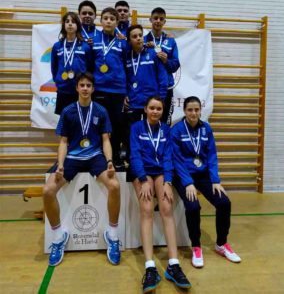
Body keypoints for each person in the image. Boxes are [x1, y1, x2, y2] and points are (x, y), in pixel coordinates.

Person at [43, 72, 121, 267]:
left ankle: (112, 235)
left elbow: (105, 140)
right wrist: (60, 164)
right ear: (77, 88)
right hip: (72, 157)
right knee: (47, 191)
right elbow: (63, 142)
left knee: (115, 185)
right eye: (82, 85)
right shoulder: (68, 111)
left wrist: (109, 160)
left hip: (95, 156)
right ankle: (58, 236)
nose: (85, 88)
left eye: (88, 85)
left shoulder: (101, 111)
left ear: (93, 89)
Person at [171, 96, 241, 268]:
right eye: (190, 110)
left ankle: (221, 244)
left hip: (203, 175)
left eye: (196, 110)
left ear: (200, 110)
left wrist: (215, 180)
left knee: (224, 203)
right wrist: (188, 182)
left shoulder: (206, 129)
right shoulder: (177, 130)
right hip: (183, 175)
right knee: (193, 206)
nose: (193, 113)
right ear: (185, 111)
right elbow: (177, 159)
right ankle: (196, 246)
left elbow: (211, 155)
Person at [130, 96, 191, 293]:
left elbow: (167, 156)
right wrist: (141, 178)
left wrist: (168, 181)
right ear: (146, 109)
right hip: (142, 171)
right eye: (152, 108)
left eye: (158, 108)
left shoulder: (166, 130)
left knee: (166, 208)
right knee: (147, 209)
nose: (155, 111)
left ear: (162, 111)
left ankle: (173, 265)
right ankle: (150, 267)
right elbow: (135, 154)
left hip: (161, 172)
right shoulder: (136, 128)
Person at [92, 7, 127, 169]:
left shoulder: (123, 43)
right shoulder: (94, 40)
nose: (108, 21)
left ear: (117, 22)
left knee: (117, 124)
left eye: (112, 19)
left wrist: (127, 91)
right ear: (101, 21)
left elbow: (129, 67)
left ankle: (115, 156)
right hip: (99, 89)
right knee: (98, 123)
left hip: (118, 91)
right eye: (105, 18)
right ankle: (98, 155)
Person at [51, 12, 93, 115]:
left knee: (79, 119)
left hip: (80, 90)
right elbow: (54, 67)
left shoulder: (85, 46)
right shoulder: (57, 46)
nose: (70, 24)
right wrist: (58, 80)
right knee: (64, 120)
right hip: (63, 89)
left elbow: (90, 67)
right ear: (63, 25)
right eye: (67, 21)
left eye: (73, 22)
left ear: (78, 26)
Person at [125, 24, 168, 124]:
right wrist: (125, 94)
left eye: (140, 35)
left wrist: (160, 99)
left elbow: (163, 78)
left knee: (151, 134)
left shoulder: (153, 54)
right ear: (129, 41)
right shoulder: (127, 57)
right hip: (133, 103)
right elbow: (125, 79)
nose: (138, 38)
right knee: (133, 134)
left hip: (151, 104)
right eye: (134, 37)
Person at [144, 7, 180, 125]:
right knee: (147, 121)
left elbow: (175, 65)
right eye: (155, 18)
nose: (158, 21)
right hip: (148, 87)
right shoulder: (143, 41)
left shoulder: (171, 41)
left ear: (164, 21)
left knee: (164, 122)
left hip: (166, 88)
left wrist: (166, 61)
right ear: (150, 20)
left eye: (161, 19)